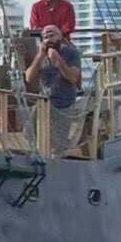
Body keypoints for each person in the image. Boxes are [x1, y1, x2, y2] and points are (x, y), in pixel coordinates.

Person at [24, 24, 86, 153]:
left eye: (52, 35)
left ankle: (57, 156)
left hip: (63, 102)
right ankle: (40, 154)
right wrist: (40, 56)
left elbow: (73, 78)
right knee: (29, 132)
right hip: (44, 101)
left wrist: (58, 61)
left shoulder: (71, 53)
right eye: (45, 36)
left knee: (59, 143)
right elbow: (29, 77)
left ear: (60, 37)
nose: (48, 38)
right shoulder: (41, 55)